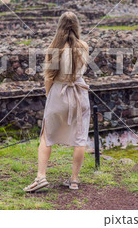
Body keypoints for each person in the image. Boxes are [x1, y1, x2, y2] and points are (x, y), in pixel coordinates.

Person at [23, 11, 90, 193]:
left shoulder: (53, 49)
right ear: (76, 26)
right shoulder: (83, 46)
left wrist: (49, 96)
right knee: (80, 138)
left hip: (59, 92)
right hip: (79, 93)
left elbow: (49, 78)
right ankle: (74, 180)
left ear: (59, 26)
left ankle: (41, 177)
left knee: (46, 136)